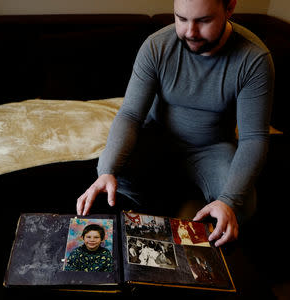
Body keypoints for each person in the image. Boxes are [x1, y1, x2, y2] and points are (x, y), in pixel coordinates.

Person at [76, 0, 274, 247]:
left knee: (243, 205)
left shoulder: (254, 58)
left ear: (230, 8)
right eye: (181, 19)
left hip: (211, 148)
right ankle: (187, 200)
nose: (190, 32)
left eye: (203, 21)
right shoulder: (156, 45)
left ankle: (200, 202)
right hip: (158, 140)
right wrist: (107, 170)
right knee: (114, 174)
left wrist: (228, 201)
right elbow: (130, 114)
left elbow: (253, 138)